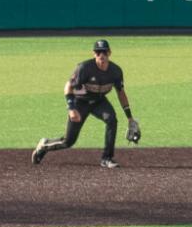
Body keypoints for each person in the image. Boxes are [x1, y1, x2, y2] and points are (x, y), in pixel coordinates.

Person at [32, 39, 139, 169]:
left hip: (99, 101)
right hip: (80, 102)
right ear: (94, 54)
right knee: (69, 141)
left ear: (110, 53)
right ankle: (44, 145)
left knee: (112, 120)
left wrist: (129, 117)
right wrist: (71, 108)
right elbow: (68, 87)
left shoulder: (115, 71)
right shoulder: (84, 68)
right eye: (98, 52)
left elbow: (121, 93)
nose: (102, 55)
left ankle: (107, 158)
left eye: (104, 52)